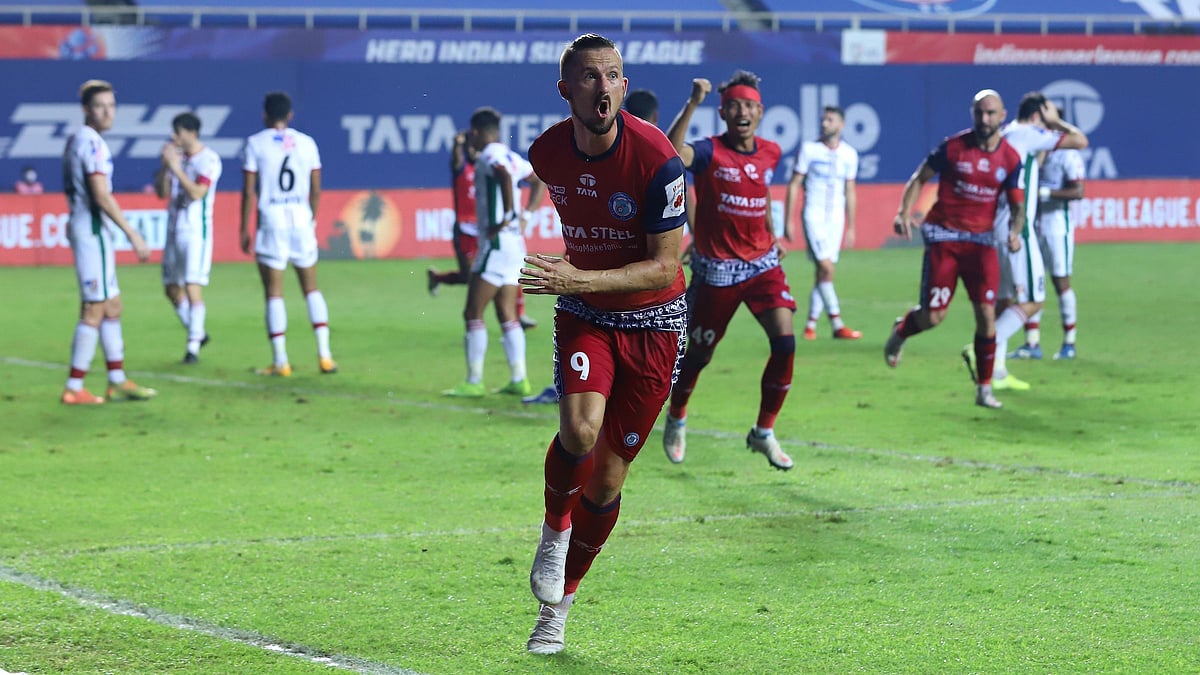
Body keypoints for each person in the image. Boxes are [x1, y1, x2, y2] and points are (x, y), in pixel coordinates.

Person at [520, 33, 688, 655]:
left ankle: (559, 606)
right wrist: (579, 286)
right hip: (587, 313)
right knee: (579, 432)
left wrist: (576, 275)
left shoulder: (656, 159)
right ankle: (552, 530)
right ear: (566, 90)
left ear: (624, 85)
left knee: (609, 483)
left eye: (613, 76)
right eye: (589, 77)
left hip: (654, 322)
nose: (603, 88)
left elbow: (665, 267)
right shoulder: (547, 153)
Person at [659, 71, 794, 470]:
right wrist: (692, 103)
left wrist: (774, 234)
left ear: (760, 112)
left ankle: (764, 432)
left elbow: (762, 194)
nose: (742, 112)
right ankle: (677, 415)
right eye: (734, 105)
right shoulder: (708, 151)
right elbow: (668, 152)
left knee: (785, 344)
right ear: (723, 111)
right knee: (698, 356)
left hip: (763, 264)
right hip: (718, 272)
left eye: (749, 106)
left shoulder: (771, 152)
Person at [521, 87, 664, 407]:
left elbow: (664, 266)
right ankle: (561, 383)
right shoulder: (568, 149)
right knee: (582, 426)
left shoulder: (655, 156)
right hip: (587, 303)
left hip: (647, 308)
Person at [883, 89, 1025, 409]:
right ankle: (901, 332)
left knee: (987, 316)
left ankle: (984, 388)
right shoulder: (954, 148)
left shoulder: (1010, 160)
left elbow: (1018, 207)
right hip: (945, 240)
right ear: (972, 114)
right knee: (933, 317)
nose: (984, 119)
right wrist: (904, 211)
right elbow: (921, 177)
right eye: (979, 113)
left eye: (990, 113)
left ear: (1002, 116)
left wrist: (1015, 233)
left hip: (982, 245)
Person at [60, 79, 157, 405]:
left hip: (89, 229)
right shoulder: (92, 144)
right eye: (100, 106)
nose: (107, 111)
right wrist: (132, 232)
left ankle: (117, 380)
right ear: (87, 110)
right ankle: (74, 388)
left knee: (112, 304)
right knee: (94, 308)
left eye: (111, 105)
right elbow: (101, 195)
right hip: (93, 232)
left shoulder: (79, 139)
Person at [983, 92, 1088, 386]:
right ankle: (984, 348)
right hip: (1020, 229)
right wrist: (1058, 122)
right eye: (1048, 113)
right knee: (1034, 300)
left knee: (1005, 301)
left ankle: (997, 371)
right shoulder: (1030, 133)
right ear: (1038, 115)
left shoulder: (1006, 134)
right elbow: (1081, 140)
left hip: (995, 229)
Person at [442, 107, 545, 398]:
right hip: (515, 244)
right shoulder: (512, 156)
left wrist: (511, 212)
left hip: (497, 243)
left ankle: (474, 381)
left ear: (476, 133)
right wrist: (526, 216)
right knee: (506, 312)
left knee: (472, 311)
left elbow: (500, 174)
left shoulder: (490, 157)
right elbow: (539, 179)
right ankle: (519, 379)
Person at [239, 91, 336, 377]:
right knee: (311, 288)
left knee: (274, 292)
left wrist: (244, 227)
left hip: (272, 221)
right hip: (301, 219)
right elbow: (316, 189)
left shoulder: (255, 143)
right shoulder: (307, 143)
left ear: (265, 114)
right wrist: (311, 219)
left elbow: (249, 191)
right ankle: (325, 356)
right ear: (290, 115)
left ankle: (281, 361)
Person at [428, 130, 539, 329]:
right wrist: (457, 145)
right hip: (466, 230)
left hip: (489, 231)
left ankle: (517, 314)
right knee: (472, 276)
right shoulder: (462, 168)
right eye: (468, 148)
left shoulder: (487, 167)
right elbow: (455, 159)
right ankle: (438, 278)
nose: (474, 150)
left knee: (501, 270)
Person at [784, 105, 862, 341]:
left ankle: (810, 325)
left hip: (835, 218)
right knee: (826, 268)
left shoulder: (850, 154)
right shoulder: (809, 149)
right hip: (813, 215)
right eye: (823, 119)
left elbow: (850, 190)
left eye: (830, 119)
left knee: (825, 272)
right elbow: (794, 184)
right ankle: (837, 323)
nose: (824, 123)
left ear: (841, 125)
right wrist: (788, 220)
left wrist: (851, 226)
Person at [1012, 119, 1086, 361]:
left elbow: (1078, 191)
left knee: (1060, 282)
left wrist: (1046, 193)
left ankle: (1069, 343)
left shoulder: (1067, 156)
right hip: (1033, 226)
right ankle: (1032, 344)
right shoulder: (1034, 153)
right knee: (1033, 283)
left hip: (1057, 228)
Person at [155, 112, 220, 364]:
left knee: (193, 285)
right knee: (171, 288)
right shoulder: (176, 158)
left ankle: (192, 348)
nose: (174, 137)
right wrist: (165, 167)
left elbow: (197, 193)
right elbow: (162, 193)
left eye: (178, 132)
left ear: (191, 133)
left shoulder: (209, 160)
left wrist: (176, 168)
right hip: (173, 231)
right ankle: (198, 332)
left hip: (196, 233)